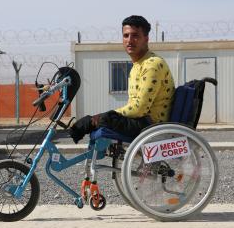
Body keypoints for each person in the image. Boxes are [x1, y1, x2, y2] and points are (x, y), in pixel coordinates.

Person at [69, 15, 175, 143]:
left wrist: (100, 117)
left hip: (151, 126)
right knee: (102, 119)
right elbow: (134, 106)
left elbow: (139, 109)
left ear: (146, 39)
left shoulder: (152, 64)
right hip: (142, 122)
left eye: (135, 36)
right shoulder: (138, 65)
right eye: (126, 36)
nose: (129, 40)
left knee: (103, 119)